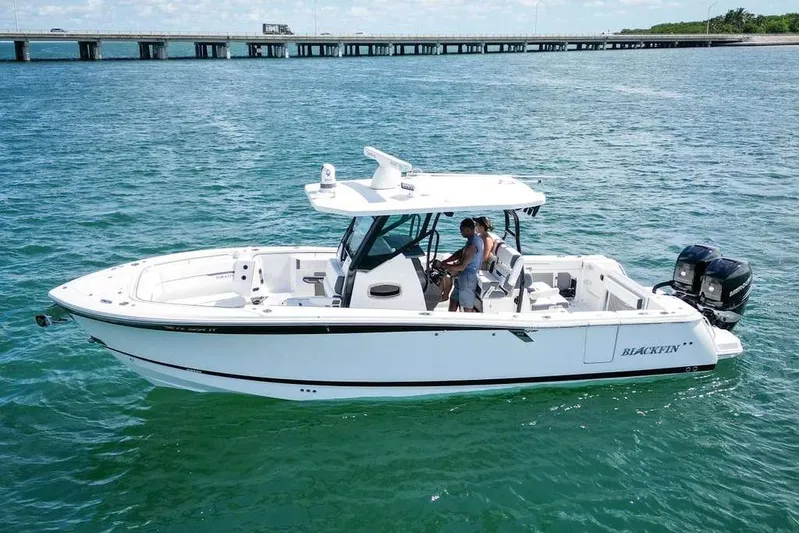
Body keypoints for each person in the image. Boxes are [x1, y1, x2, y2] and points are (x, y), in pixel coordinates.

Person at [437, 218, 484, 312]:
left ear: (468, 230)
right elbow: (459, 253)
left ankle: (467, 325)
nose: (460, 232)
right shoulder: (471, 240)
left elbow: (462, 266)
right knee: (454, 299)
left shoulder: (472, 246)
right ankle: (450, 319)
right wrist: (445, 262)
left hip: (468, 279)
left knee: (467, 306)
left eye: (461, 230)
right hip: (462, 277)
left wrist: (445, 266)